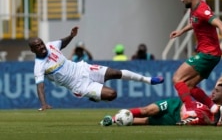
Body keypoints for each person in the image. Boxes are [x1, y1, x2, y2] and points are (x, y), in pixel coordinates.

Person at [28, 26, 164, 111]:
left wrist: (71, 36)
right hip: (79, 85)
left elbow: (62, 43)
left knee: (115, 73)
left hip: (83, 68)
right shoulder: (39, 66)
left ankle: (149, 80)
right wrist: (44, 104)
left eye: (41, 44)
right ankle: (95, 97)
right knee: (112, 95)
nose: (42, 47)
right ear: (33, 50)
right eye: (38, 46)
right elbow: (40, 87)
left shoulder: (51, 45)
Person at [169, 0, 222, 118]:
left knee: (177, 78)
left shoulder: (202, 9)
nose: (181, 0)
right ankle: (213, 108)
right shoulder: (194, 9)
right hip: (211, 55)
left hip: (207, 54)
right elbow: (196, 21)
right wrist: (182, 31)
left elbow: (221, 25)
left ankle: (189, 110)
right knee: (189, 86)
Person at [100, 66, 222, 126]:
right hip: (176, 105)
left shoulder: (220, 112)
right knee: (148, 110)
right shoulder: (210, 102)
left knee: (145, 121)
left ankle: (112, 121)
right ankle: (112, 118)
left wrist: (208, 121)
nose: (213, 92)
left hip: (177, 119)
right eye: (214, 90)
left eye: (217, 91)